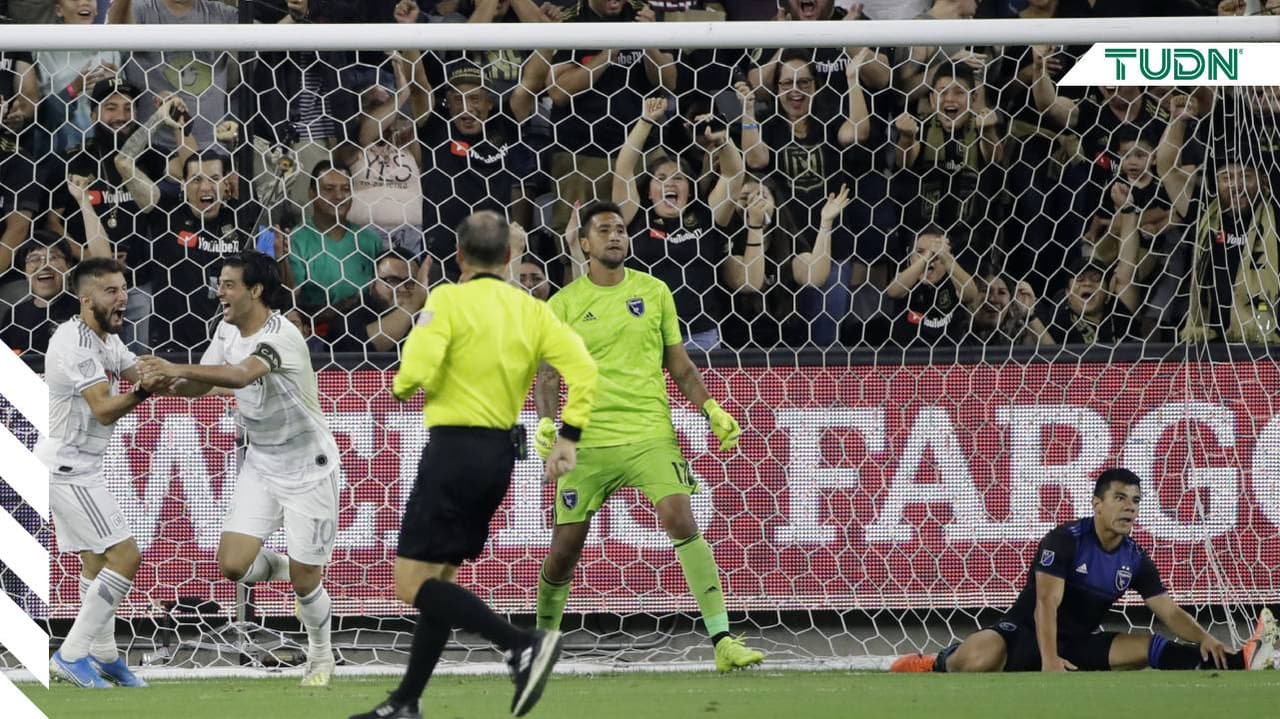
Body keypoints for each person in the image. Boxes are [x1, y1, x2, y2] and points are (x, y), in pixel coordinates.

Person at [351, 211, 599, 719]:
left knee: (411, 585)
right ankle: (405, 702)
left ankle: (520, 643)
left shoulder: (447, 299)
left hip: (453, 451)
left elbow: (417, 366)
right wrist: (568, 437)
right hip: (498, 456)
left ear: (459, 256)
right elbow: (585, 369)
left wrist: (403, 385)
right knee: (439, 578)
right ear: (508, 257)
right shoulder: (532, 310)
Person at [532, 201, 764, 673]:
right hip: (588, 440)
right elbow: (548, 375)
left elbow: (679, 364)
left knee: (679, 516)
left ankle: (722, 640)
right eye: (604, 230)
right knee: (563, 551)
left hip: (649, 433)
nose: (615, 235)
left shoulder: (654, 292)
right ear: (584, 243)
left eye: (620, 229)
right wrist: (547, 424)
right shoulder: (563, 304)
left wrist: (711, 408)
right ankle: (541, 642)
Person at [136, 252, 343, 688]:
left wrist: (175, 366)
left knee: (307, 583)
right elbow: (203, 384)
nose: (220, 292)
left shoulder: (281, 334)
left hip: (309, 466)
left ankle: (320, 656)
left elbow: (242, 375)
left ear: (256, 290)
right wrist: (164, 385)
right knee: (232, 564)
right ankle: (290, 567)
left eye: (229, 284)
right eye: (220, 284)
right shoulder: (226, 329)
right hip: (262, 463)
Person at [890, 468, 1280, 673]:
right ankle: (937, 661)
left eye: (1136, 501)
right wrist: (1048, 661)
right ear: (1097, 504)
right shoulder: (1065, 540)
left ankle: (1238, 661)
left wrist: (1206, 637)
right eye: (1120, 498)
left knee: (1149, 648)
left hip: (1076, 643)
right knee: (980, 659)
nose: (1130, 507)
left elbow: (1168, 611)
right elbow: (1046, 604)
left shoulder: (1135, 558)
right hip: (1022, 635)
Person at [42, 257, 160, 689]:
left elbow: (142, 371)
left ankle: (106, 656)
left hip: (82, 466)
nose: (122, 297)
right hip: (67, 468)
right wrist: (145, 390)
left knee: (95, 562)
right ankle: (71, 655)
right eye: (111, 291)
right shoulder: (73, 342)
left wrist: (206, 378)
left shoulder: (106, 339)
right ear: (86, 299)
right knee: (125, 557)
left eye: (124, 288)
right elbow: (105, 410)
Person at [0, 232, 80, 355]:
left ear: (69, 267)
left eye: (52, 257)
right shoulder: (14, 315)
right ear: (25, 273)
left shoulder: (84, 308)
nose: (44, 265)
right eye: (34, 259)